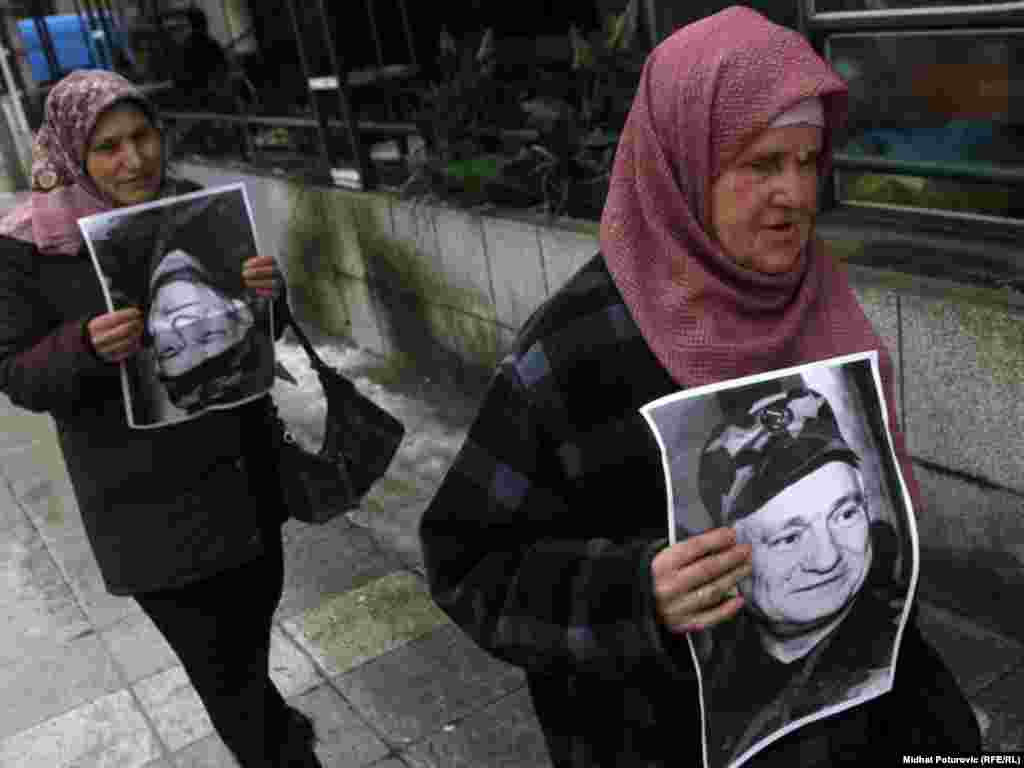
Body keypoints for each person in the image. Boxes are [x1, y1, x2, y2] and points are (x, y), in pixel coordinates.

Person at [419, 7, 980, 766]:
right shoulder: (575, 351)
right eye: (761, 165)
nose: (797, 195)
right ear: (682, 166)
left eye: (808, 161)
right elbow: (466, 561)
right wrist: (633, 594)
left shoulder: (816, 296)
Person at [0, 70, 321, 767]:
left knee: (246, 650)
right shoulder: (28, 250)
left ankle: (279, 735)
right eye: (107, 146)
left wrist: (268, 296)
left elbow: (263, 334)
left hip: (243, 489)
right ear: (70, 154)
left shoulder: (190, 211)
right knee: (224, 678)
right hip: (145, 520)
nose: (134, 160)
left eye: (143, 136)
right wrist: (83, 344)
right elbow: (17, 374)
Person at [697, 388, 907, 766]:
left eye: (844, 514)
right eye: (788, 537)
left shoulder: (901, 667)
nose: (828, 558)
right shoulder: (710, 668)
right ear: (726, 557)